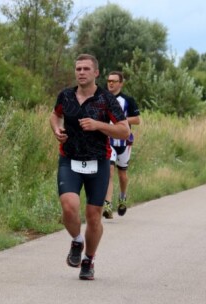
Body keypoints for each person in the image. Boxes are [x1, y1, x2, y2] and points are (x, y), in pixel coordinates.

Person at [49, 54, 130, 280]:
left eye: (86, 69)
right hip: (70, 159)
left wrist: (98, 125)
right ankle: (76, 241)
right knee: (68, 205)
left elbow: (124, 130)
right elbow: (54, 116)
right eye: (78, 68)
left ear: (96, 73)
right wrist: (56, 129)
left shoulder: (106, 99)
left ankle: (88, 260)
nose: (81, 72)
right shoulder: (65, 95)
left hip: (99, 162)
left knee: (93, 216)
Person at [102, 71, 141, 219]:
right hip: (108, 140)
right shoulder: (102, 99)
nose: (110, 83)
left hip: (125, 141)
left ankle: (123, 198)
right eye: (108, 81)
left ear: (120, 83)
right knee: (109, 171)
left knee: (122, 174)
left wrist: (120, 117)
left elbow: (137, 120)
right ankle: (107, 205)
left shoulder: (128, 100)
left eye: (114, 81)